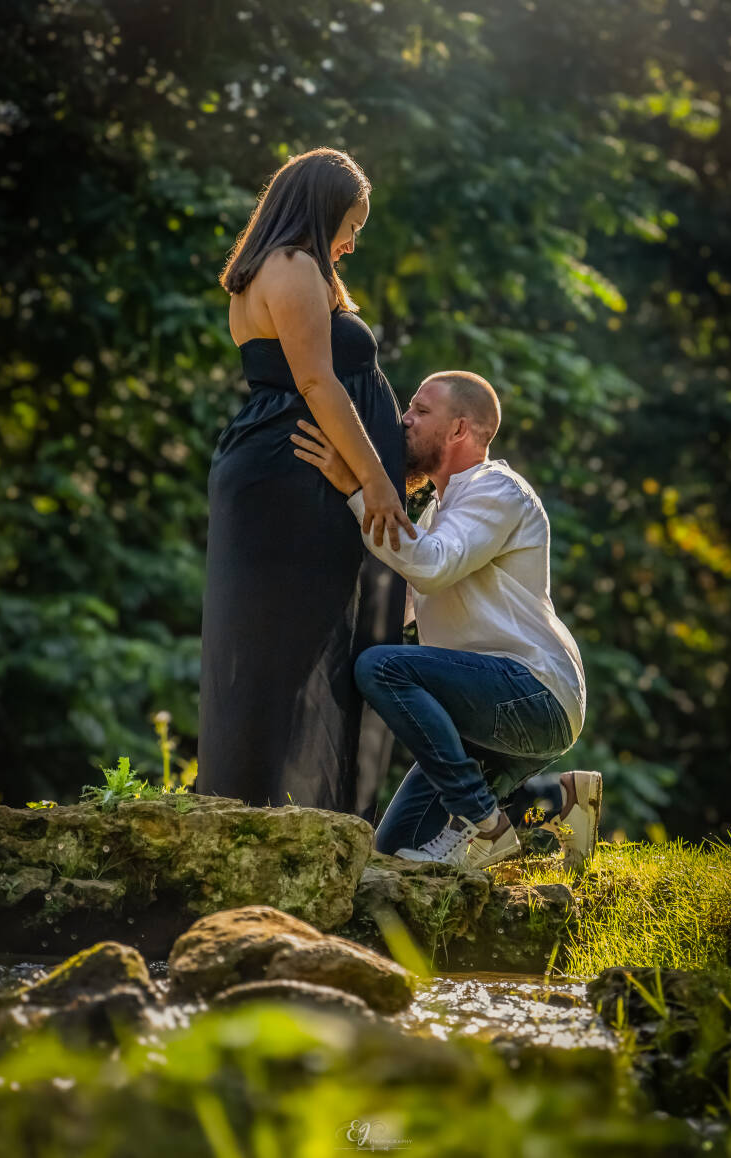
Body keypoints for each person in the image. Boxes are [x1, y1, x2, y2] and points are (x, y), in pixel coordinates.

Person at [290, 370, 602, 868]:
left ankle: (486, 823)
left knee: (380, 668)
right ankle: (556, 800)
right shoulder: (438, 514)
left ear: (459, 429)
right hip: (485, 713)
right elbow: (409, 605)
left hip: (533, 694)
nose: (404, 420)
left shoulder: (496, 489)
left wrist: (356, 488)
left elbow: (431, 566)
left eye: (420, 410)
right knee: (394, 851)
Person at [197, 147, 416, 818]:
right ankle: (259, 812)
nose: (351, 243)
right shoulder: (290, 265)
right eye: (351, 225)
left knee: (294, 649)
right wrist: (376, 481)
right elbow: (317, 381)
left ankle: (289, 811)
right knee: (282, 650)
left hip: (297, 476)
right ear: (322, 212)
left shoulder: (291, 268)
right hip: (290, 478)